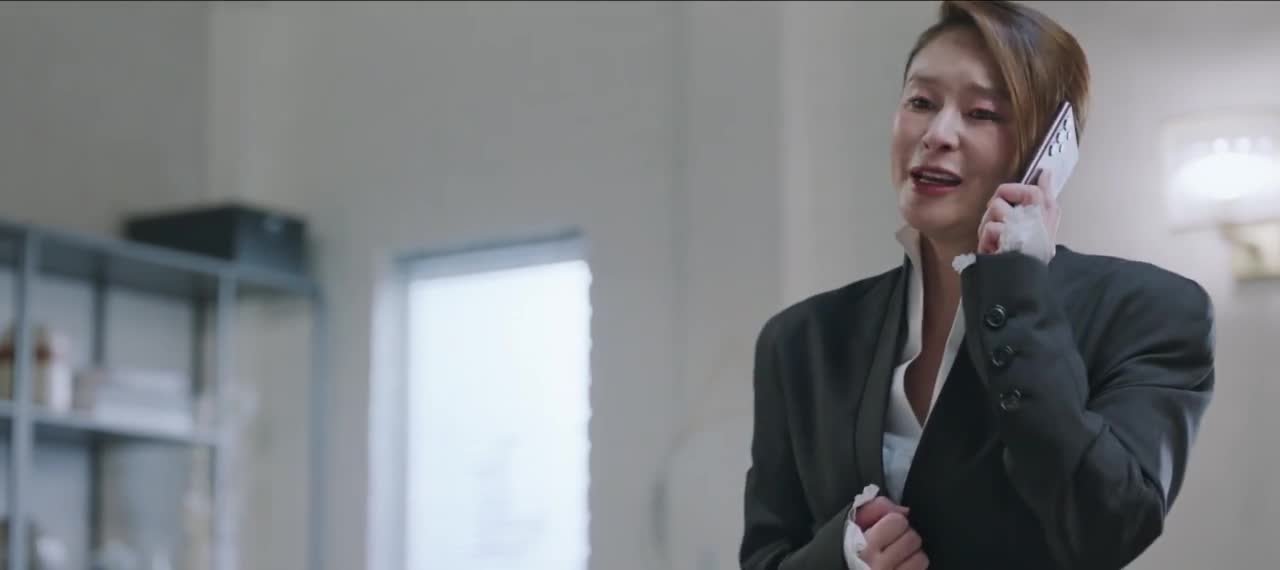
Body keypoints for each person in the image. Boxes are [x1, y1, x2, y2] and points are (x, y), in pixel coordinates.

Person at [738, 1, 1216, 569]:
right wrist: (844, 559)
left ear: (1047, 154)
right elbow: (766, 555)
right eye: (921, 102)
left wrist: (1017, 290)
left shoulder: (1151, 312)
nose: (937, 134)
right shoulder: (801, 340)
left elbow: (1107, 526)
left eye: (983, 113)